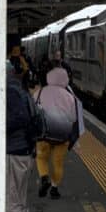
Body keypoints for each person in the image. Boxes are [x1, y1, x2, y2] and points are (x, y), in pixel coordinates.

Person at [5, 62, 38, 212]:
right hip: (25, 151)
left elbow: (18, 118)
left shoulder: (9, 92)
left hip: (14, 152)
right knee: (20, 201)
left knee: (12, 203)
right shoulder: (22, 91)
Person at [34, 64, 81, 200]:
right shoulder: (69, 96)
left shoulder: (40, 92)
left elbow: (33, 111)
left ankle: (44, 178)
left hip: (45, 133)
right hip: (62, 135)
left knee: (42, 157)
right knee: (58, 162)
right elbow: (73, 118)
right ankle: (54, 188)